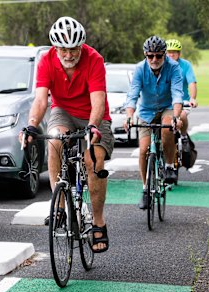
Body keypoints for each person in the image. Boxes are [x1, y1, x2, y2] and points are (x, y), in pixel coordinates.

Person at [20, 16, 114, 253]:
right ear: (56, 47)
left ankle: (99, 222)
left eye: (73, 49)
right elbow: (41, 99)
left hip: (93, 115)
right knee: (54, 140)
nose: (69, 55)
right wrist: (32, 125)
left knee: (93, 160)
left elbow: (98, 102)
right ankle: (59, 206)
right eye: (63, 49)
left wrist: (93, 126)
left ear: (81, 46)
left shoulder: (94, 59)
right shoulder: (46, 60)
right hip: (63, 112)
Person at [123, 36, 184, 209]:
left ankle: (170, 166)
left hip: (166, 108)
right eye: (150, 56)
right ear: (145, 55)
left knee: (167, 129)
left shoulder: (174, 68)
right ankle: (145, 190)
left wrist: (176, 116)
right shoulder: (140, 69)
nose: (154, 60)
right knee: (143, 150)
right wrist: (129, 116)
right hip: (146, 111)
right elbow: (133, 94)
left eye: (158, 56)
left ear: (164, 55)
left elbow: (178, 94)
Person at [165, 39, 198, 135]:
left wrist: (192, 98)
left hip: (183, 100)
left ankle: (183, 136)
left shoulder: (185, 65)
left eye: (174, 52)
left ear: (179, 53)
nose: (171, 55)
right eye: (168, 52)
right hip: (165, 102)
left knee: (182, 115)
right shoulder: (162, 65)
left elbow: (192, 82)